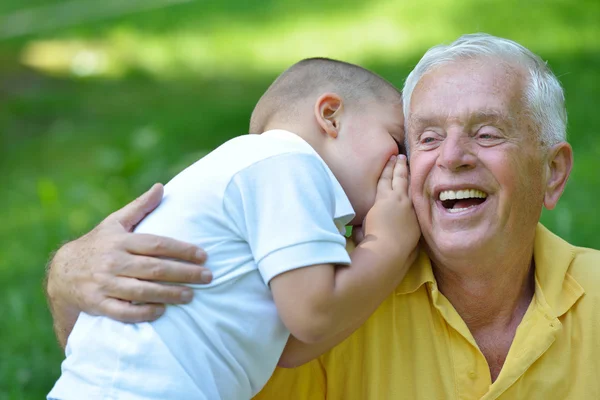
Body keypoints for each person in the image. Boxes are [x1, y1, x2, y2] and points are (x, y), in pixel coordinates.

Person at [46, 33, 600, 399]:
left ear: (552, 173)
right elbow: (137, 352)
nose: (449, 158)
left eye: (486, 133)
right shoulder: (333, 276)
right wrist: (67, 278)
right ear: (329, 116)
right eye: (422, 139)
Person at [47, 58, 420, 400]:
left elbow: (290, 347)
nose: (404, 161)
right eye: (396, 140)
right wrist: (387, 244)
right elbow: (315, 315)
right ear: (330, 115)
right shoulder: (287, 163)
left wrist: (391, 259)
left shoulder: (260, 174)